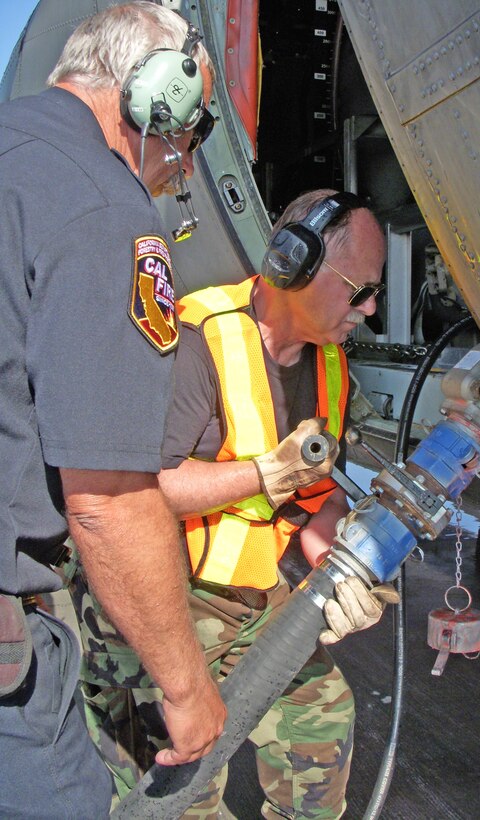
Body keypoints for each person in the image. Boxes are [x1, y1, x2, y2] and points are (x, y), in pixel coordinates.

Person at [71, 188, 399, 818]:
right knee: (183, 790)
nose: (372, 307)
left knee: (321, 722)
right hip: (164, 598)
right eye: (359, 289)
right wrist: (265, 473)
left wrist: (344, 575)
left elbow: (319, 501)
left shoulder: (332, 368)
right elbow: (145, 488)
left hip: (254, 597)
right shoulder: (194, 339)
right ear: (293, 263)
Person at [0, 4, 226, 817]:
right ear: (155, 96)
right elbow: (108, 500)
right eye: (189, 136)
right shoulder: (102, 209)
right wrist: (187, 685)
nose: (182, 170)